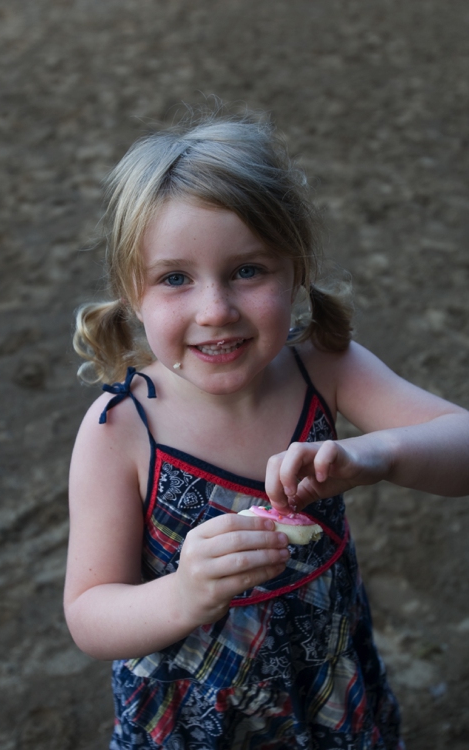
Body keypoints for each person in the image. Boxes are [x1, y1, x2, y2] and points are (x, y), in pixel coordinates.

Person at [64, 107, 469, 750]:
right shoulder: (120, 429)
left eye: (247, 270)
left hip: (325, 689)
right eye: (175, 278)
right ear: (131, 291)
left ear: (294, 268)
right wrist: (184, 594)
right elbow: (89, 612)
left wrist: (378, 454)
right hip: (195, 715)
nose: (216, 310)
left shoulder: (324, 367)